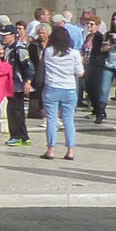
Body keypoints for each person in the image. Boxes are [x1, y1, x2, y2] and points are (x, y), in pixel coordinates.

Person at [38, 24, 83, 160]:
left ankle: (51, 150)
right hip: (69, 88)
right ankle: (70, 151)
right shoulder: (74, 53)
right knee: (69, 120)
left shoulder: (48, 52)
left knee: (51, 119)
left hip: (52, 87)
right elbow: (80, 73)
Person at [0, 22, 33, 148]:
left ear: (13, 35)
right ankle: (23, 136)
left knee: (14, 110)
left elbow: (28, 68)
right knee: (16, 110)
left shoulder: (20, 50)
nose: (3, 38)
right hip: (9, 84)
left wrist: (27, 82)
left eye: (6, 35)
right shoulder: (7, 49)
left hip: (17, 85)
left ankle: (17, 136)